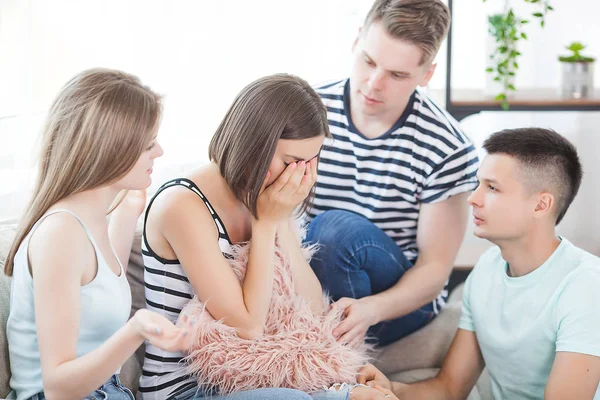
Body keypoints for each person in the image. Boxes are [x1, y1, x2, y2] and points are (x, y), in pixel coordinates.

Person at [139, 73, 376, 400]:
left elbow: (310, 309)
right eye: (292, 162)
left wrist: (279, 222)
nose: (301, 175)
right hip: (187, 391)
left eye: (311, 161)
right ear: (254, 146)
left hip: (255, 380)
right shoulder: (182, 205)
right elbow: (247, 327)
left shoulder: (264, 197)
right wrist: (264, 225)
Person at [354, 128, 600, 399]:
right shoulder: (488, 268)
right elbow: (449, 387)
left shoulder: (586, 285)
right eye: (478, 184)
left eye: (492, 187)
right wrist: (391, 390)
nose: (473, 198)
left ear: (541, 205)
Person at [5, 68, 193, 400]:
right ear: (110, 149)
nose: (160, 151)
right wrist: (136, 330)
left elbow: (102, 285)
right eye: (148, 144)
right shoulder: (60, 234)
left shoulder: (90, 220)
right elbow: (58, 387)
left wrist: (129, 206)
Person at [305, 0, 479, 347]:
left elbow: (433, 271)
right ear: (357, 41)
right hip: (313, 273)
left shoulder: (447, 146)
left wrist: (371, 309)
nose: (373, 83)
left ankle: (333, 354)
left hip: (399, 298)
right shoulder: (309, 111)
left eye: (397, 75)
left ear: (426, 75)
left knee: (334, 231)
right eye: (369, 61)